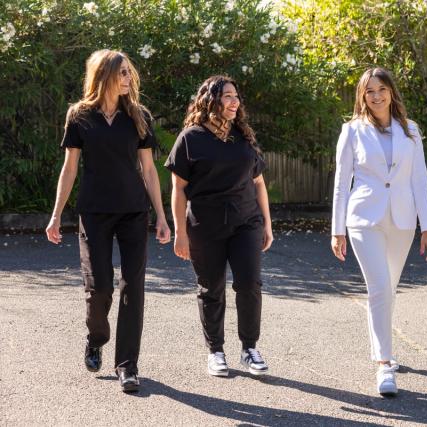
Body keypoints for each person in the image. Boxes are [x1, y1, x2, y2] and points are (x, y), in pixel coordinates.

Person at [45, 49, 171, 392]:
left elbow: (148, 170)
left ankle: (127, 365)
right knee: (99, 285)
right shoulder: (80, 116)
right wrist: (56, 214)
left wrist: (161, 216)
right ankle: (96, 337)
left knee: (133, 287)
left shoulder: (139, 116)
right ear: (105, 76)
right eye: (123, 73)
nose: (129, 79)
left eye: (130, 73)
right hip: (95, 213)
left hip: (133, 212)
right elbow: (69, 168)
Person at [331, 68, 427, 396]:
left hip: (403, 220)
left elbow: (419, 179)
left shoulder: (412, 131)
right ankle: (383, 364)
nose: (376, 96)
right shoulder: (352, 131)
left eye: (381, 90)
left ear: (391, 92)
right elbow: (340, 183)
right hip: (364, 219)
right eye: (369, 91)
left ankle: (384, 349)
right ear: (362, 96)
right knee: (378, 288)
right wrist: (337, 230)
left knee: (389, 289)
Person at [165, 75, 273, 378]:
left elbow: (259, 183)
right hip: (205, 225)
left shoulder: (243, 137)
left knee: (249, 284)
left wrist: (267, 223)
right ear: (210, 100)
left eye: (236, 96)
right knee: (211, 288)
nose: (235, 102)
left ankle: (249, 348)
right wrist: (180, 234)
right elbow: (178, 189)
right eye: (227, 96)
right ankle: (216, 351)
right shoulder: (190, 138)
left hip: (246, 222)